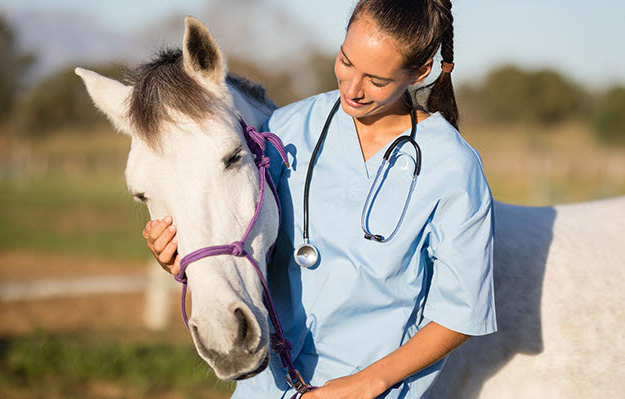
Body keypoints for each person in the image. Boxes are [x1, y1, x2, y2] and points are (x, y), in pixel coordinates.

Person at [143, 1, 496, 397]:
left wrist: (365, 385)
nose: (353, 88)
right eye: (346, 61)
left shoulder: (453, 167)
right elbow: (234, 227)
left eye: (377, 80)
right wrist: (180, 255)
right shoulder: (284, 131)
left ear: (421, 72)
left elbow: (462, 313)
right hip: (268, 386)